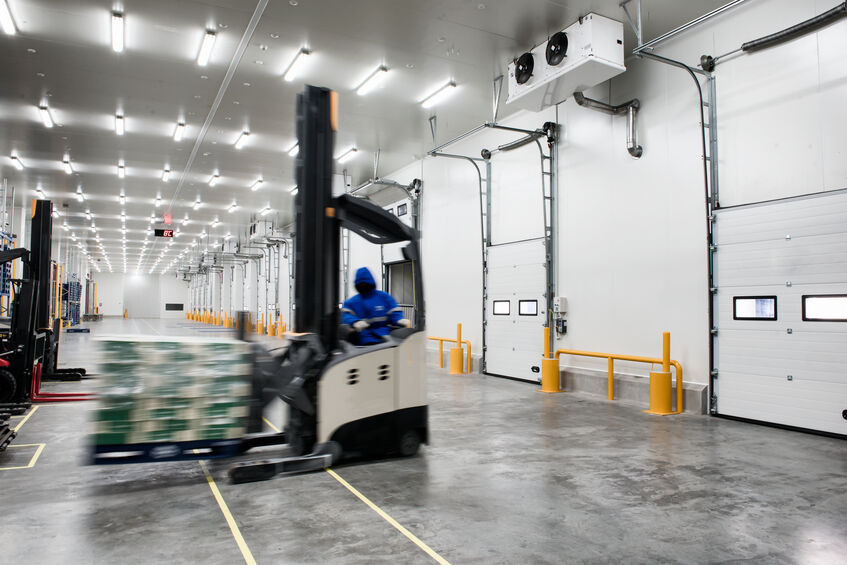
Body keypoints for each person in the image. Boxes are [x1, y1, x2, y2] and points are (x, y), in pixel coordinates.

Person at [341, 267, 410, 345]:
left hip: (385, 340)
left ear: (371, 282)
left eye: (365, 283)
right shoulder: (353, 302)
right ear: (357, 285)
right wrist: (355, 322)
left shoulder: (384, 297)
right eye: (361, 284)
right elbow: (346, 314)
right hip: (363, 343)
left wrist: (399, 319)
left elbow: (394, 310)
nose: (364, 286)